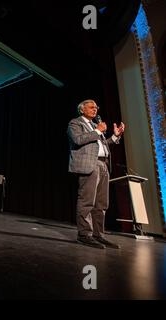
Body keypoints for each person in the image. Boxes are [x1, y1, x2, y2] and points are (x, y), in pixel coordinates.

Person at [67, 99, 125, 249]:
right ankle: (84, 235)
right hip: (89, 165)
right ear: (82, 110)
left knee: (101, 204)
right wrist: (98, 131)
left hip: (103, 164)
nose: (95, 109)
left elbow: (101, 145)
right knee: (87, 201)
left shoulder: (94, 126)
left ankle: (99, 235)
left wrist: (114, 137)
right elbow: (78, 140)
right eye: (91, 107)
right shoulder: (75, 123)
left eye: (96, 107)